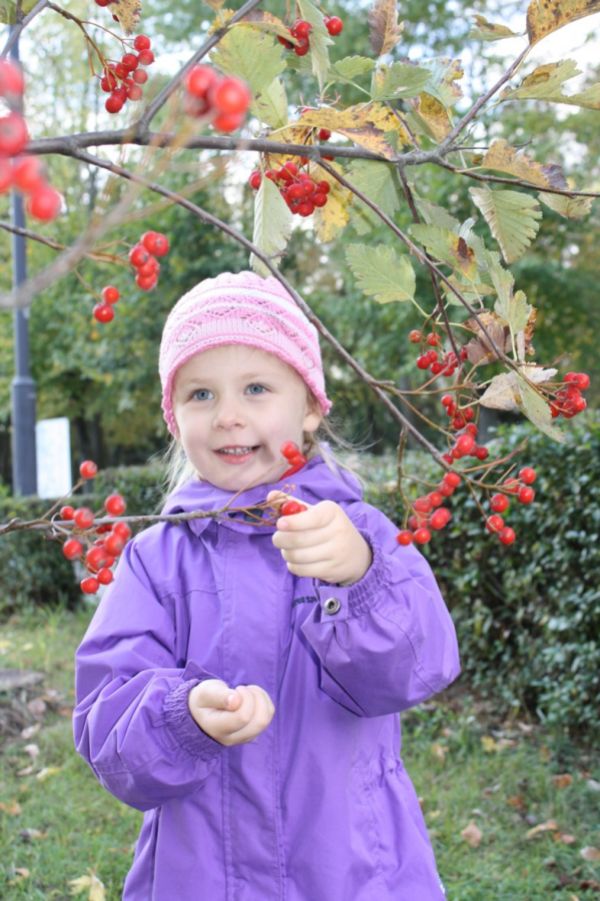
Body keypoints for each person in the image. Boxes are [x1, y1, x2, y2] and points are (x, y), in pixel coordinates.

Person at [73, 270, 461, 901]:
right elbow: (106, 728)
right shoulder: (155, 561)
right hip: (199, 875)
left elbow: (418, 667)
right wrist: (179, 716)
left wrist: (357, 579)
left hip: (355, 871)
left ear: (309, 407)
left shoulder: (359, 536)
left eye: (256, 387)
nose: (228, 415)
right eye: (200, 394)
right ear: (175, 420)